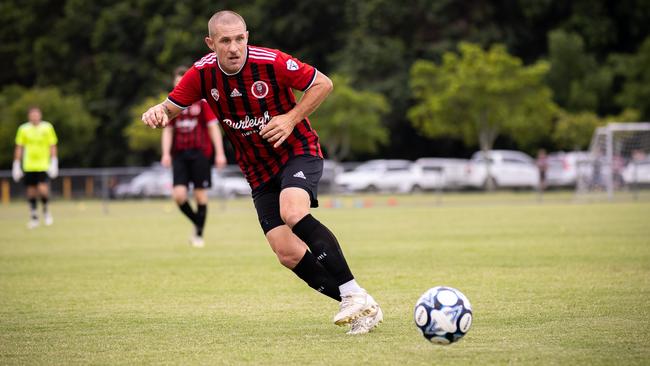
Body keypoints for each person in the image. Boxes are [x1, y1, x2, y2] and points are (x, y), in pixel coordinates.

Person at [142, 10, 382, 335]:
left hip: (298, 151)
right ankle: (361, 303)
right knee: (286, 252)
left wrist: (291, 118)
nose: (234, 47)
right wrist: (159, 111)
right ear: (211, 43)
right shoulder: (201, 74)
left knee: (292, 211)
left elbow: (322, 84)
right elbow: (171, 107)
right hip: (257, 170)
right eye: (225, 41)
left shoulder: (271, 62)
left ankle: (352, 291)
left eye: (240, 38)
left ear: (247, 37)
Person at [161, 66, 228, 248]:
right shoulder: (171, 103)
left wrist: (220, 153)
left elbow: (213, 127)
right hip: (180, 154)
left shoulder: (202, 101)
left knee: (200, 195)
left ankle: (198, 235)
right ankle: (198, 222)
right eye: (176, 84)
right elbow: (168, 130)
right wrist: (166, 153)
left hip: (200, 153)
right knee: (179, 196)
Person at [12, 106, 58, 229]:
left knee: (42, 189)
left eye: (36, 114)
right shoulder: (23, 129)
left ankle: (46, 210)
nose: (34, 117)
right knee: (31, 191)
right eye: (32, 114)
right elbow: (19, 147)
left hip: (43, 164)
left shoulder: (47, 127)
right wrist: (16, 164)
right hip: (29, 165)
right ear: (29, 116)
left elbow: (52, 145)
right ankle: (34, 216)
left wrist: (54, 161)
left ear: (40, 115)